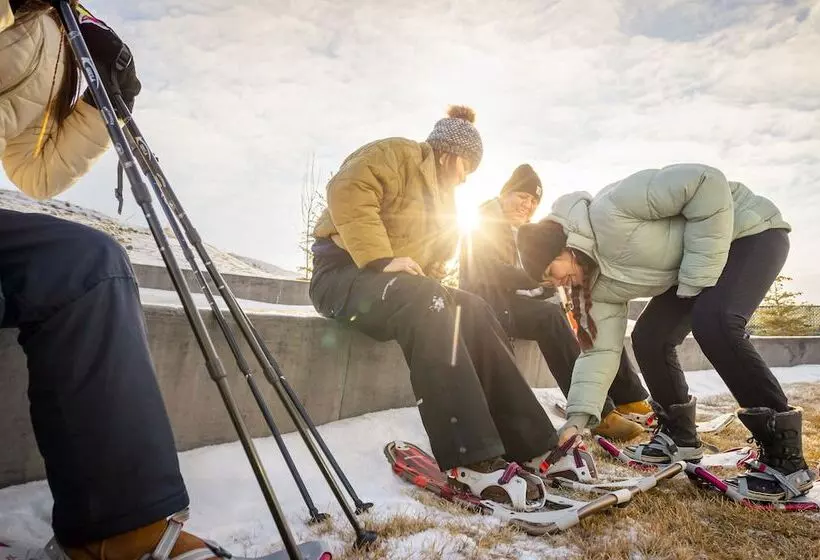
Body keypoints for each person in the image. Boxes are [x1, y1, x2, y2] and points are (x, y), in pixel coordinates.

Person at [1, 2, 223, 558]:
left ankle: (117, 531)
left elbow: (35, 171)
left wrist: (102, 107)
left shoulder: (63, 27)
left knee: (89, 263)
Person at [310, 106, 586, 508]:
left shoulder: (446, 203)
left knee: (472, 307)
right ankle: (471, 458)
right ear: (450, 155)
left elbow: (435, 268)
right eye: (466, 169)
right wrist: (381, 259)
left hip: (394, 286)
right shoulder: (396, 154)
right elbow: (347, 190)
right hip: (342, 275)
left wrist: (439, 292)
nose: (465, 178)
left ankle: (532, 444)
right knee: (431, 300)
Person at [516, 163, 815, 502]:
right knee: (649, 337)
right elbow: (598, 352)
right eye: (548, 282)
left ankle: (786, 461)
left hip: (749, 231)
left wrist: (697, 277)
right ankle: (678, 437)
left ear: (564, 247)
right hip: (696, 269)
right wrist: (577, 420)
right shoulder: (593, 289)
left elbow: (705, 182)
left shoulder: (612, 209)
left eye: (551, 271)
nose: (556, 282)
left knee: (715, 323)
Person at [459, 164, 652, 442]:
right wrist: (538, 277)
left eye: (533, 201)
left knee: (590, 310)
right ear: (504, 194)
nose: (527, 205)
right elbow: (487, 271)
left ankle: (629, 397)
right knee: (549, 318)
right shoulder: (483, 222)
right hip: (487, 304)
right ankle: (600, 415)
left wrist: (553, 285)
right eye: (521, 196)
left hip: (516, 300)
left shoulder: (524, 232)